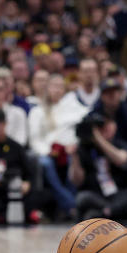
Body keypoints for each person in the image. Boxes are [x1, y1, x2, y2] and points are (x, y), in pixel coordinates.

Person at [29, 74, 88, 218]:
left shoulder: (73, 107)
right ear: (47, 88)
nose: (57, 90)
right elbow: (34, 139)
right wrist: (48, 151)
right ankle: (71, 204)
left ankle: (68, 205)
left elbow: (81, 126)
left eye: (60, 86)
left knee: (73, 159)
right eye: (54, 86)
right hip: (46, 152)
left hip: (68, 149)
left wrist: (73, 145)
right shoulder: (37, 111)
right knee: (46, 164)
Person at [68, 116, 127, 221]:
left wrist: (99, 139)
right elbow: (77, 181)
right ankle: (115, 212)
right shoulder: (82, 149)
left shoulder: (116, 144)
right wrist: (74, 157)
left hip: (117, 194)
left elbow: (121, 160)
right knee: (82, 198)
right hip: (96, 195)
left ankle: (105, 213)